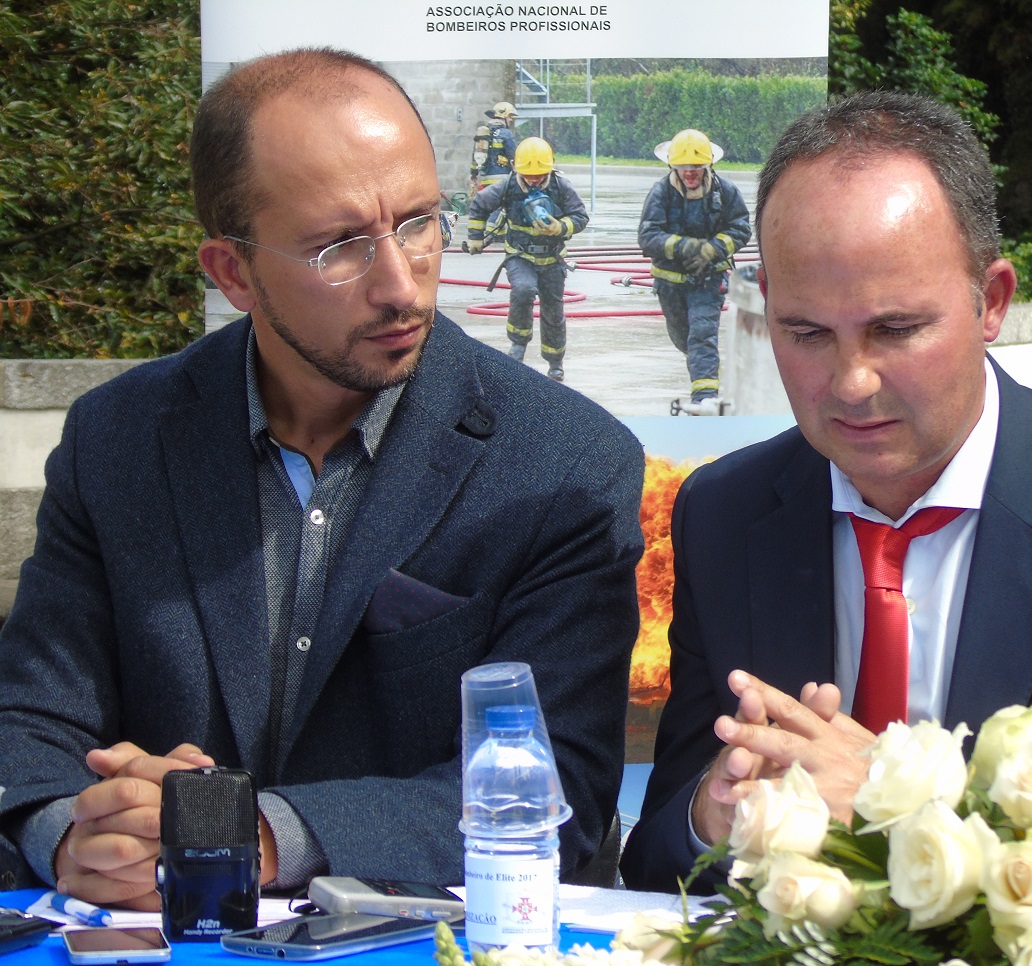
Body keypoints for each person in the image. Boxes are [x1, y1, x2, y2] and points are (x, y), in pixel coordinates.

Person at [0, 47, 645, 907]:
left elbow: (560, 798)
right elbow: (29, 723)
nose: (400, 283)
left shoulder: (563, 464)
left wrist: (252, 835)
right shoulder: (117, 439)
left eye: (418, 221)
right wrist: (74, 833)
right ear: (232, 273)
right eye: (339, 246)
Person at [618, 90, 1032, 893]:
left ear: (991, 301)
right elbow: (654, 863)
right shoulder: (722, 514)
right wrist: (711, 815)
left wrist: (905, 804)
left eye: (895, 329)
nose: (852, 383)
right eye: (806, 333)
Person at [638, 129, 750, 415]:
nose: (690, 172)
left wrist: (713, 250)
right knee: (683, 337)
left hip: (709, 280)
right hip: (669, 284)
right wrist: (684, 247)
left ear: (708, 165)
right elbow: (648, 235)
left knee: (702, 333)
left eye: (697, 167)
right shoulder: (660, 193)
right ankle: (701, 362)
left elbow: (740, 228)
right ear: (672, 166)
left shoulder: (725, 192)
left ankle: (705, 398)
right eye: (684, 167)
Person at [465, 136, 587, 382]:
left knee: (553, 310)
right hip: (520, 255)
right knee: (523, 290)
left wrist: (561, 227)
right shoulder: (507, 186)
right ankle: (518, 345)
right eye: (529, 175)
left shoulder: (561, 187)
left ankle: (555, 362)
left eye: (539, 175)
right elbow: (479, 205)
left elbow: (580, 216)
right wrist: (475, 237)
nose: (533, 180)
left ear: (549, 168)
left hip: (552, 259)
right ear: (515, 167)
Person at [469, 100, 518, 197]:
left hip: (485, 179)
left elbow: (475, 158)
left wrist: (473, 175)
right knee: (501, 207)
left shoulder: (483, 134)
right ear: (504, 115)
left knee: (489, 205)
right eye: (510, 116)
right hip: (502, 179)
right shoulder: (506, 134)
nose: (511, 120)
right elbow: (515, 157)